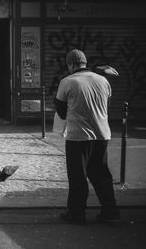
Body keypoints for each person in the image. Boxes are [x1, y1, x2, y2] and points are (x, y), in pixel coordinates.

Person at [55, 49, 121, 224]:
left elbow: (61, 112)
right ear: (84, 63)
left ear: (71, 64)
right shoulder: (103, 81)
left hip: (78, 136)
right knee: (101, 173)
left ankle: (77, 213)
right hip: (102, 134)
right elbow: (106, 105)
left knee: (78, 175)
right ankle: (110, 210)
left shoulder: (67, 82)